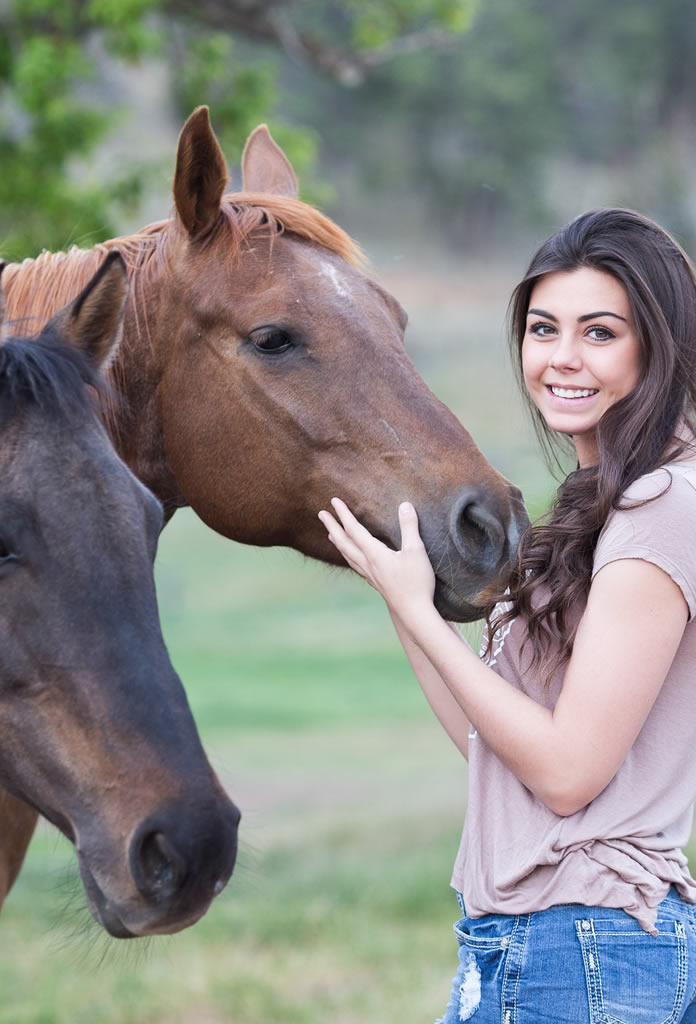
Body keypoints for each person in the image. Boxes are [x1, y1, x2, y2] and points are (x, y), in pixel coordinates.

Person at [319, 207, 696, 1023]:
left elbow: (566, 775)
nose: (562, 359)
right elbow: (494, 749)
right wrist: (403, 600)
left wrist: (424, 616)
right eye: (542, 328)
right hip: (540, 946)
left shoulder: (662, 506)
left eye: (600, 333)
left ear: (658, 347)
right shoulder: (605, 505)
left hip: (588, 947)